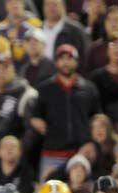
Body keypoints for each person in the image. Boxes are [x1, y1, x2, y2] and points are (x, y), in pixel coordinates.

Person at [31, 43, 101, 180]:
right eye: (62, 58)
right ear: (56, 62)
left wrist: (92, 143)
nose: (65, 62)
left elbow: (96, 118)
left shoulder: (89, 88)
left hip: (80, 154)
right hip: (53, 153)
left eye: (70, 58)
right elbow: (36, 115)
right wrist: (36, 121)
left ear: (77, 62)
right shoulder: (45, 88)